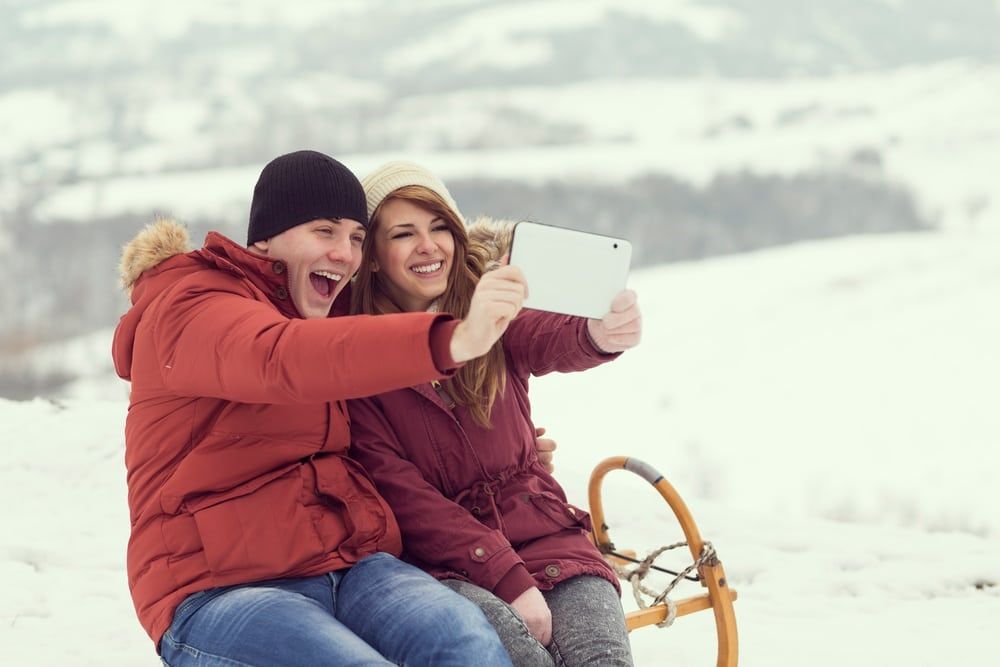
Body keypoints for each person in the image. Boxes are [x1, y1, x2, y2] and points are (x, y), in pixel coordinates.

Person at [111, 150, 524, 665]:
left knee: (464, 642)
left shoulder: (320, 311)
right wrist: (454, 340)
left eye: (355, 237)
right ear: (267, 237)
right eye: (324, 231)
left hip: (355, 567)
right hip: (221, 588)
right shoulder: (192, 304)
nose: (345, 253)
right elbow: (280, 357)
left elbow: (387, 417)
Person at [347, 161, 641, 666]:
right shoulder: (356, 356)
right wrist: (503, 573)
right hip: (444, 567)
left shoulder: (487, 306)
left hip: (548, 539)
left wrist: (597, 335)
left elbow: (546, 336)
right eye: (404, 233)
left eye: (440, 227)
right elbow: (405, 497)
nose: (428, 245)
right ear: (372, 257)